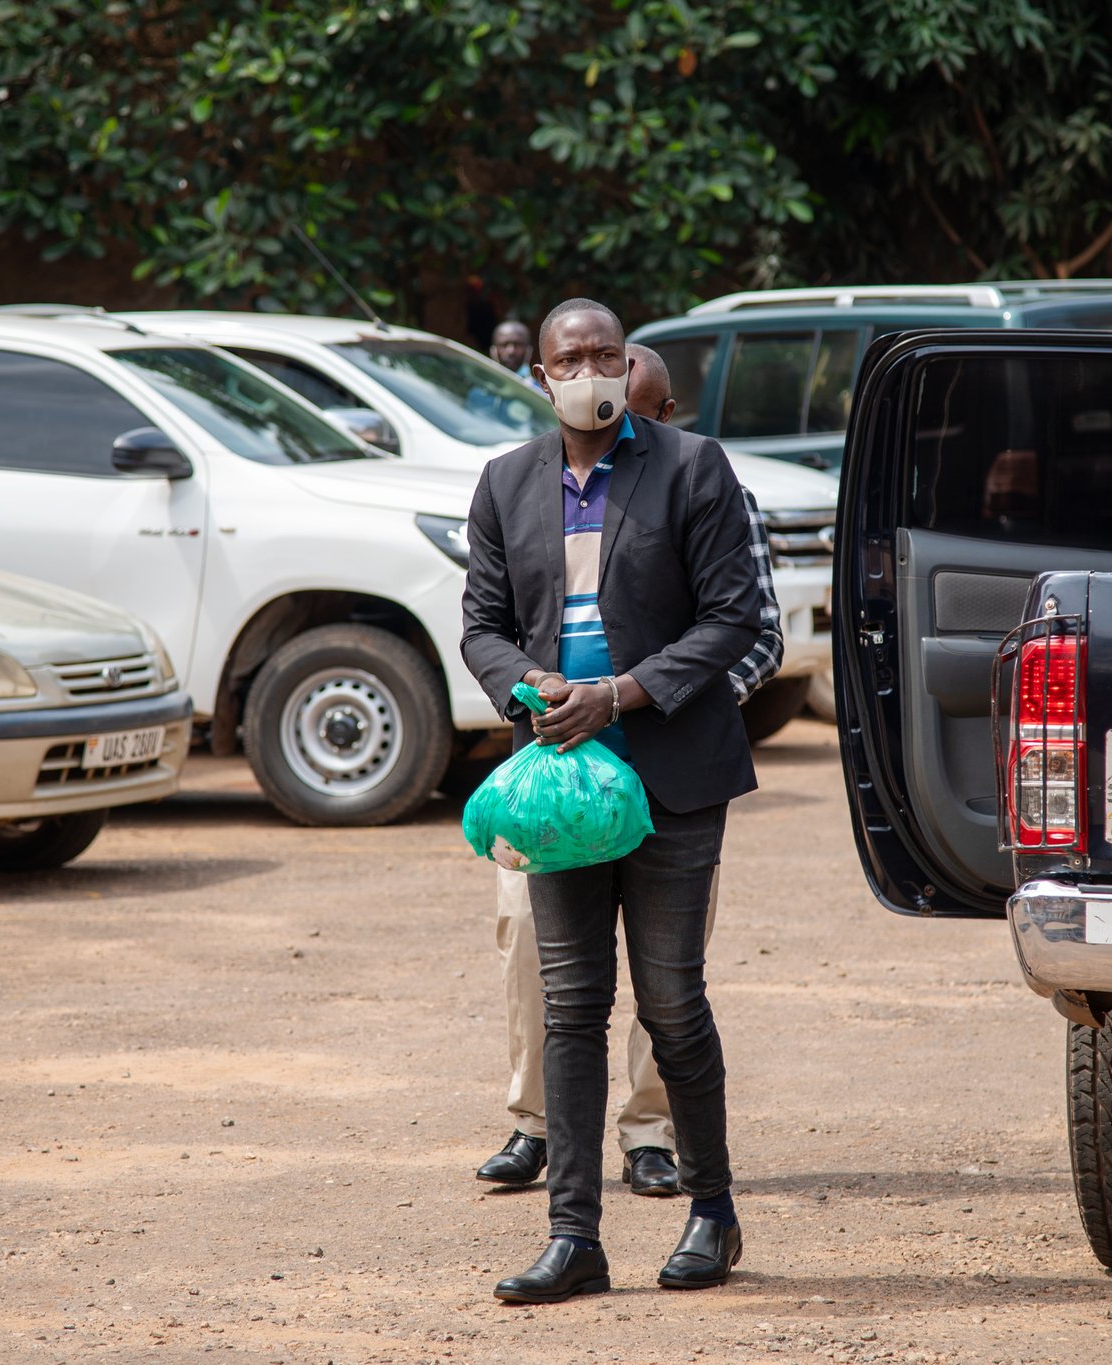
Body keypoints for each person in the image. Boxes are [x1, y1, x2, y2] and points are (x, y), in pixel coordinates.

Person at [463, 300, 761, 1304]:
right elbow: (483, 624)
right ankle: (573, 1237)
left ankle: (710, 1213)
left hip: (670, 777)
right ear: (537, 376)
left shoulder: (688, 467)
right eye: (568, 357)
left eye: (604, 353)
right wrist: (532, 690)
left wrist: (618, 695)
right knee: (571, 1007)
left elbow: (732, 616)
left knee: (672, 1002)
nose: (588, 368)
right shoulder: (506, 481)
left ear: (626, 362)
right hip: (562, 791)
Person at [489, 319, 540, 390]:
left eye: (518, 345)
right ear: (493, 351)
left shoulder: (539, 394)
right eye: (504, 345)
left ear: (529, 351)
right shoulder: (480, 393)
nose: (511, 351)